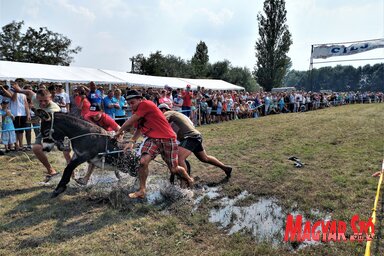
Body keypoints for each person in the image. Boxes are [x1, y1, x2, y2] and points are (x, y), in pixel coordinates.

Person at [115, 90, 194, 199]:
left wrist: (119, 131)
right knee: (142, 162)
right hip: (153, 139)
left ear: (140, 99)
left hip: (167, 138)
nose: (130, 105)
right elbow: (138, 128)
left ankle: (189, 179)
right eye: (128, 103)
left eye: (132, 102)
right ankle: (142, 190)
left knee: (174, 169)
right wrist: (132, 141)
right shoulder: (137, 112)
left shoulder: (146, 104)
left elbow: (130, 121)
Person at [11, 83, 71, 182]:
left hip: (60, 131)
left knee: (66, 153)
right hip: (46, 130)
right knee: (36, 148)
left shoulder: (54, 109)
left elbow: (43, 120)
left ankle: (71, 174)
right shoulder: (35, 98)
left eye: (45, 101)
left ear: (50, 98)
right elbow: (29, 92)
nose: (42, 103)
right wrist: (19, 90)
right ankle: (51, 171)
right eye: (40, 101)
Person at [158, 103, 232, 180]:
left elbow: (161, 122)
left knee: (179, 158)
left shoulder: (168, 113)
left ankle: (185, 183)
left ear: (163, 110)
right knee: (204, 158)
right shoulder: (178, 116)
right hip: (195, 136)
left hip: (190, 137)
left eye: (158, 112)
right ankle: (226, 168)